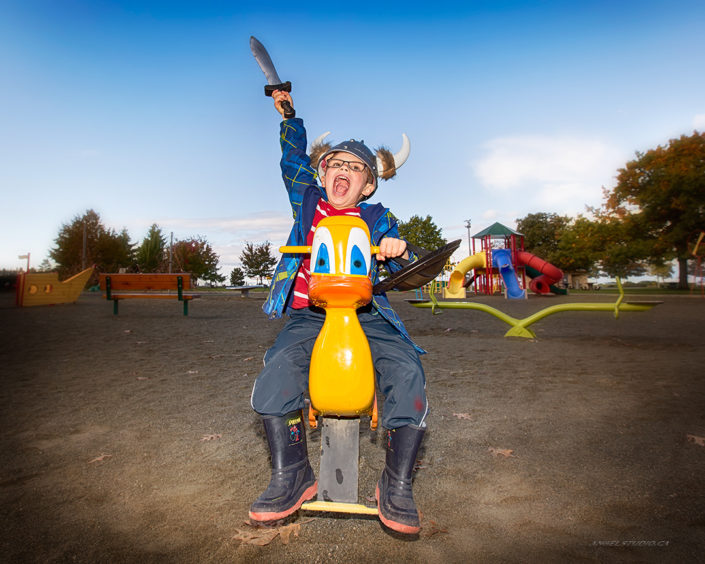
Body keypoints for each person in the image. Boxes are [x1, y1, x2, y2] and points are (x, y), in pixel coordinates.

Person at [248, 90, 428, 535]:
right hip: (311, 312)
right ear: (322, 172)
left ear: (367, 184)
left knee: (407, 370)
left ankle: (396, 483)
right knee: (277, 370)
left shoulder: (379, 218)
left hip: (367, 313)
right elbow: (292, 157)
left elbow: (415, 268)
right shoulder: (307, 203)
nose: (342, 170)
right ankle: (293, 474)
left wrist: (398, 250)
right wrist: (290, 116)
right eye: (335, 163)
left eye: (355, 166)